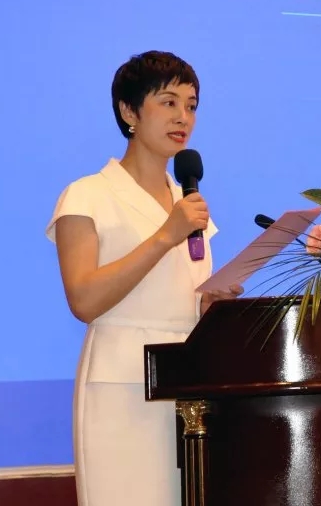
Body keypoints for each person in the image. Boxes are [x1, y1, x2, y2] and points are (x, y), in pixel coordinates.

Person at [45, 50, 242, 506]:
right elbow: (84, 299)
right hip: (123, 389)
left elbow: (179, 294)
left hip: (191, 388)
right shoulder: (87, 195)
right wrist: (165, 235)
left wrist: (210, 306)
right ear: (129, 112)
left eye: (191, 105)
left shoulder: (188, 203)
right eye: (168, 102)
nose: (183, 117)